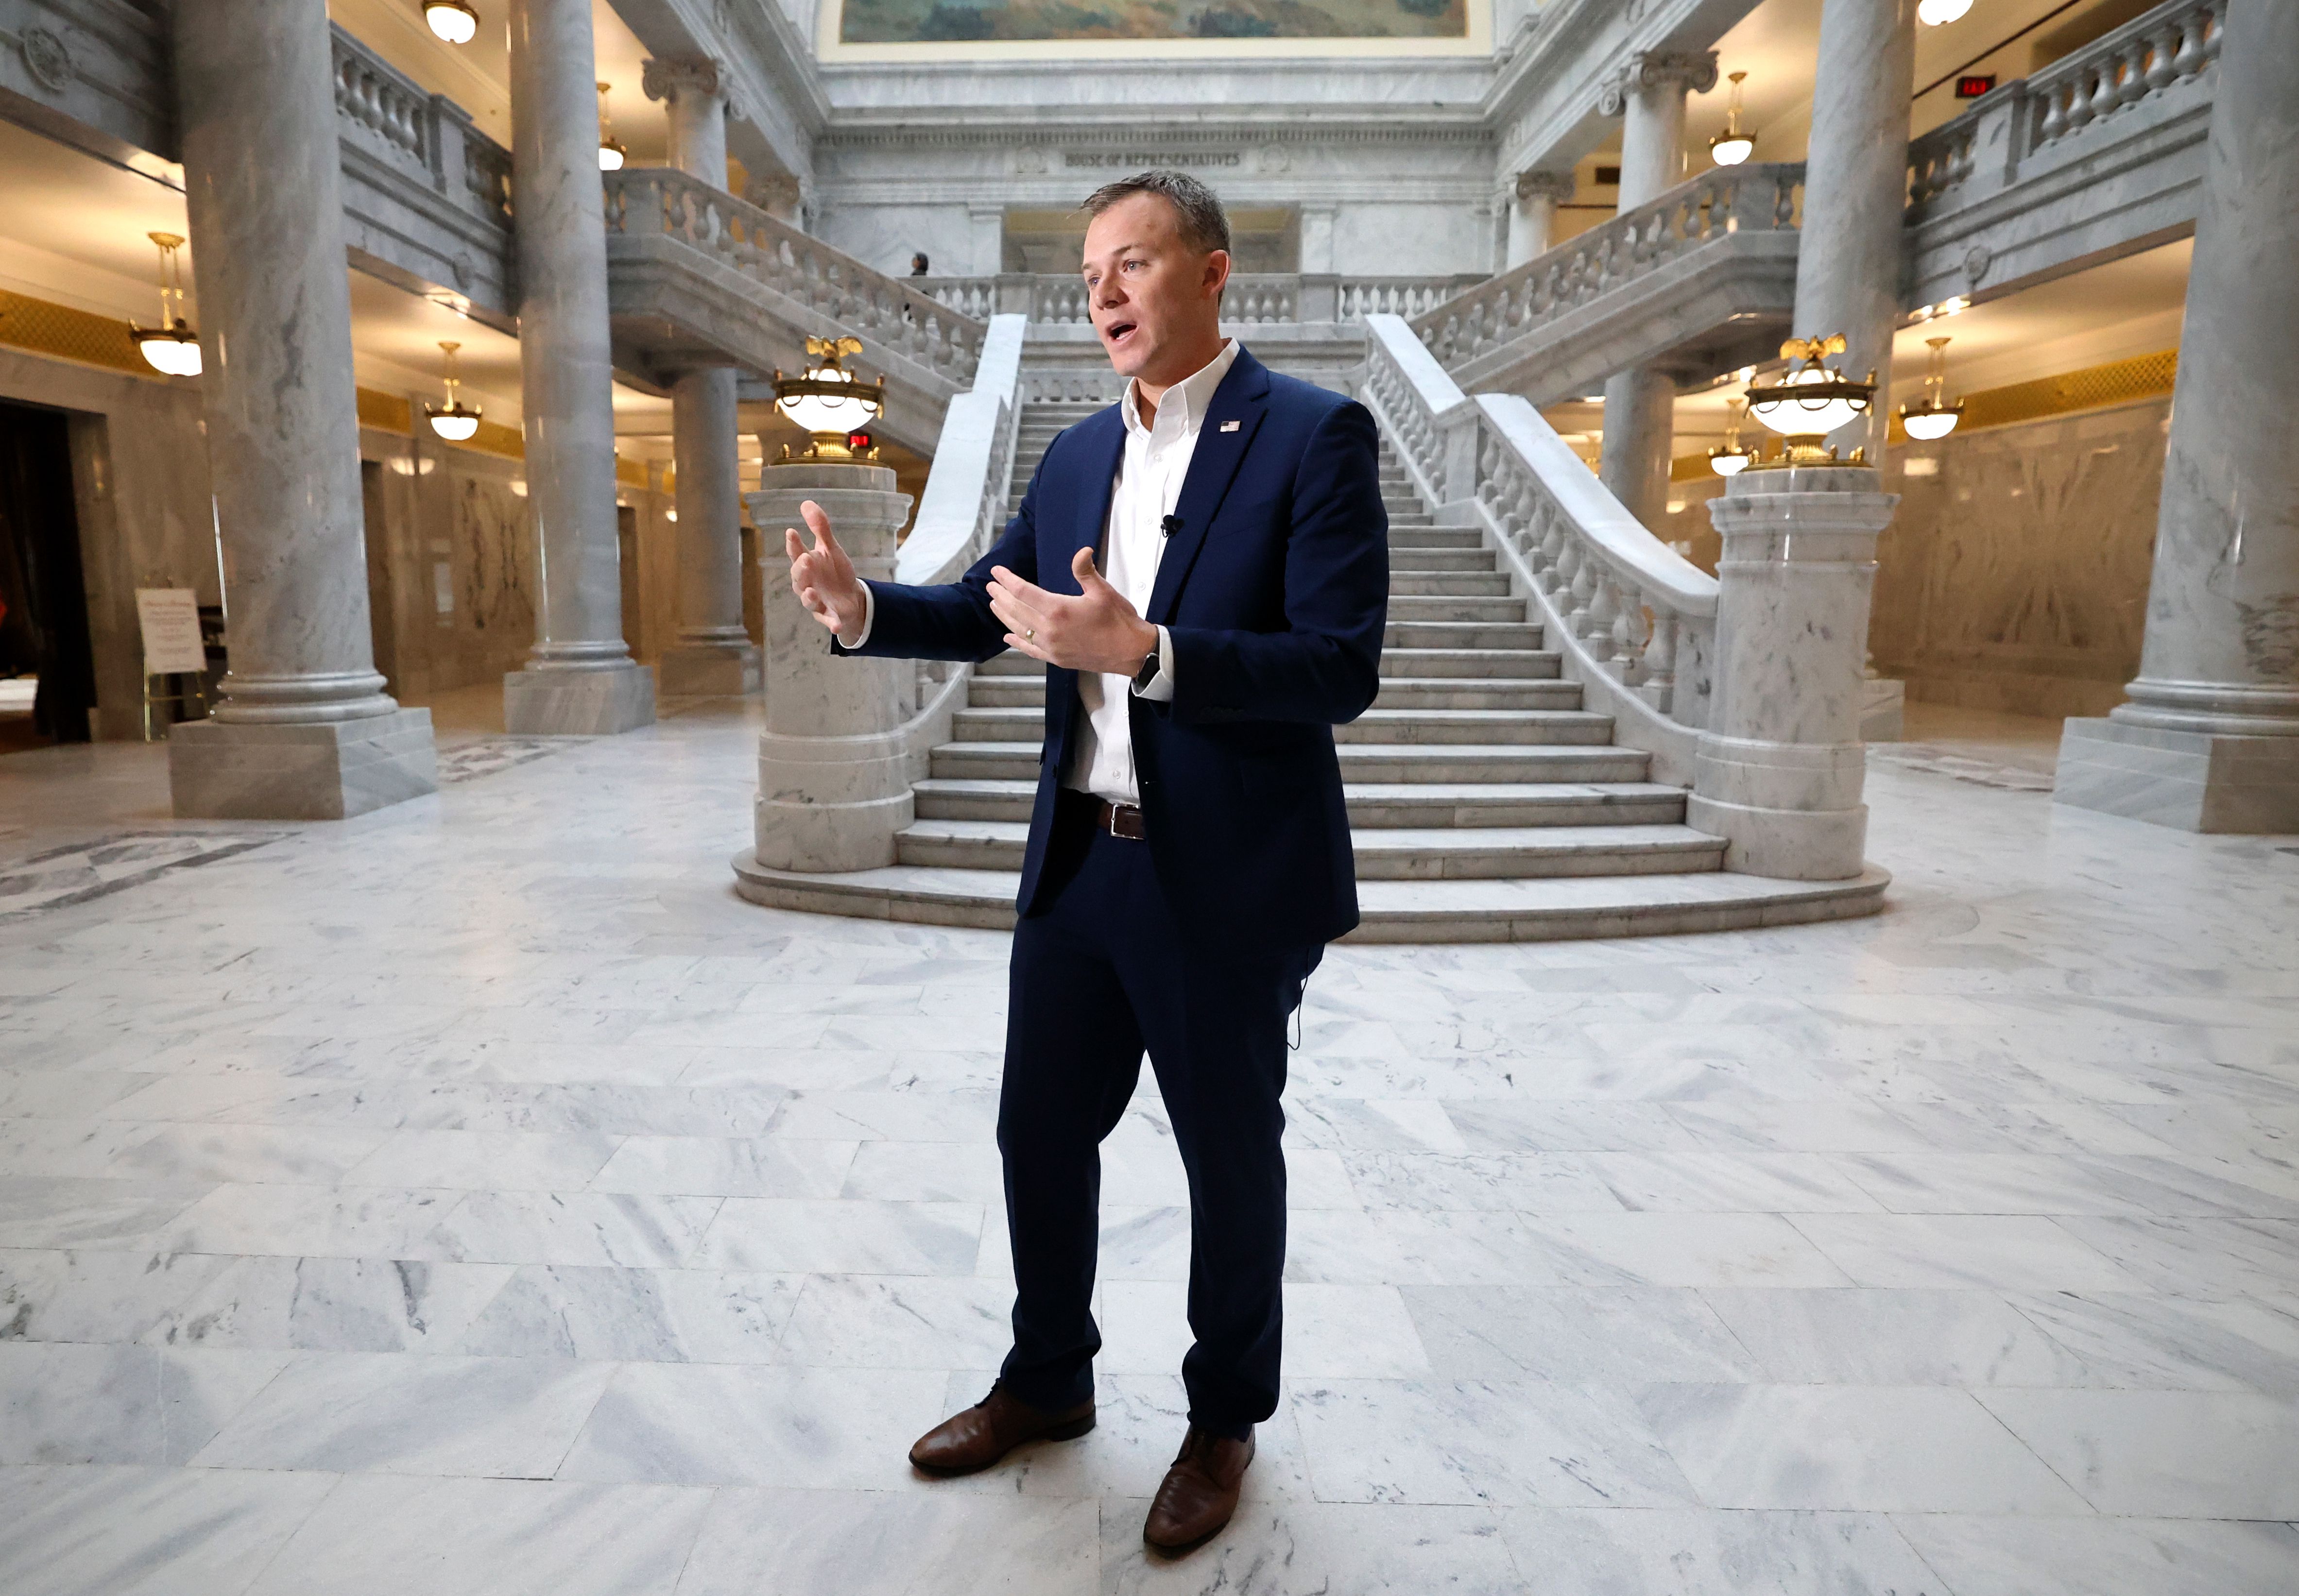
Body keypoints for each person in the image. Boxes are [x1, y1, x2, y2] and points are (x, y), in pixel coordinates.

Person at [782, 170, 1388, 1555]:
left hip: (1224, 880)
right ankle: (1046, 1380)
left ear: (1213, 273)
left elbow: (1338, 667)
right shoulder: (1070, 454)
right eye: (1089, 272)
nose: (1103, 293)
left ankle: (1224, 1418)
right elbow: (991, 610)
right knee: (1036, 1135)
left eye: (1132, 263)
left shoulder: (1311, 435)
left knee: (1231, 1161)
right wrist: (863, 606)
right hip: (1080, 869)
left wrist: (1151, 653)